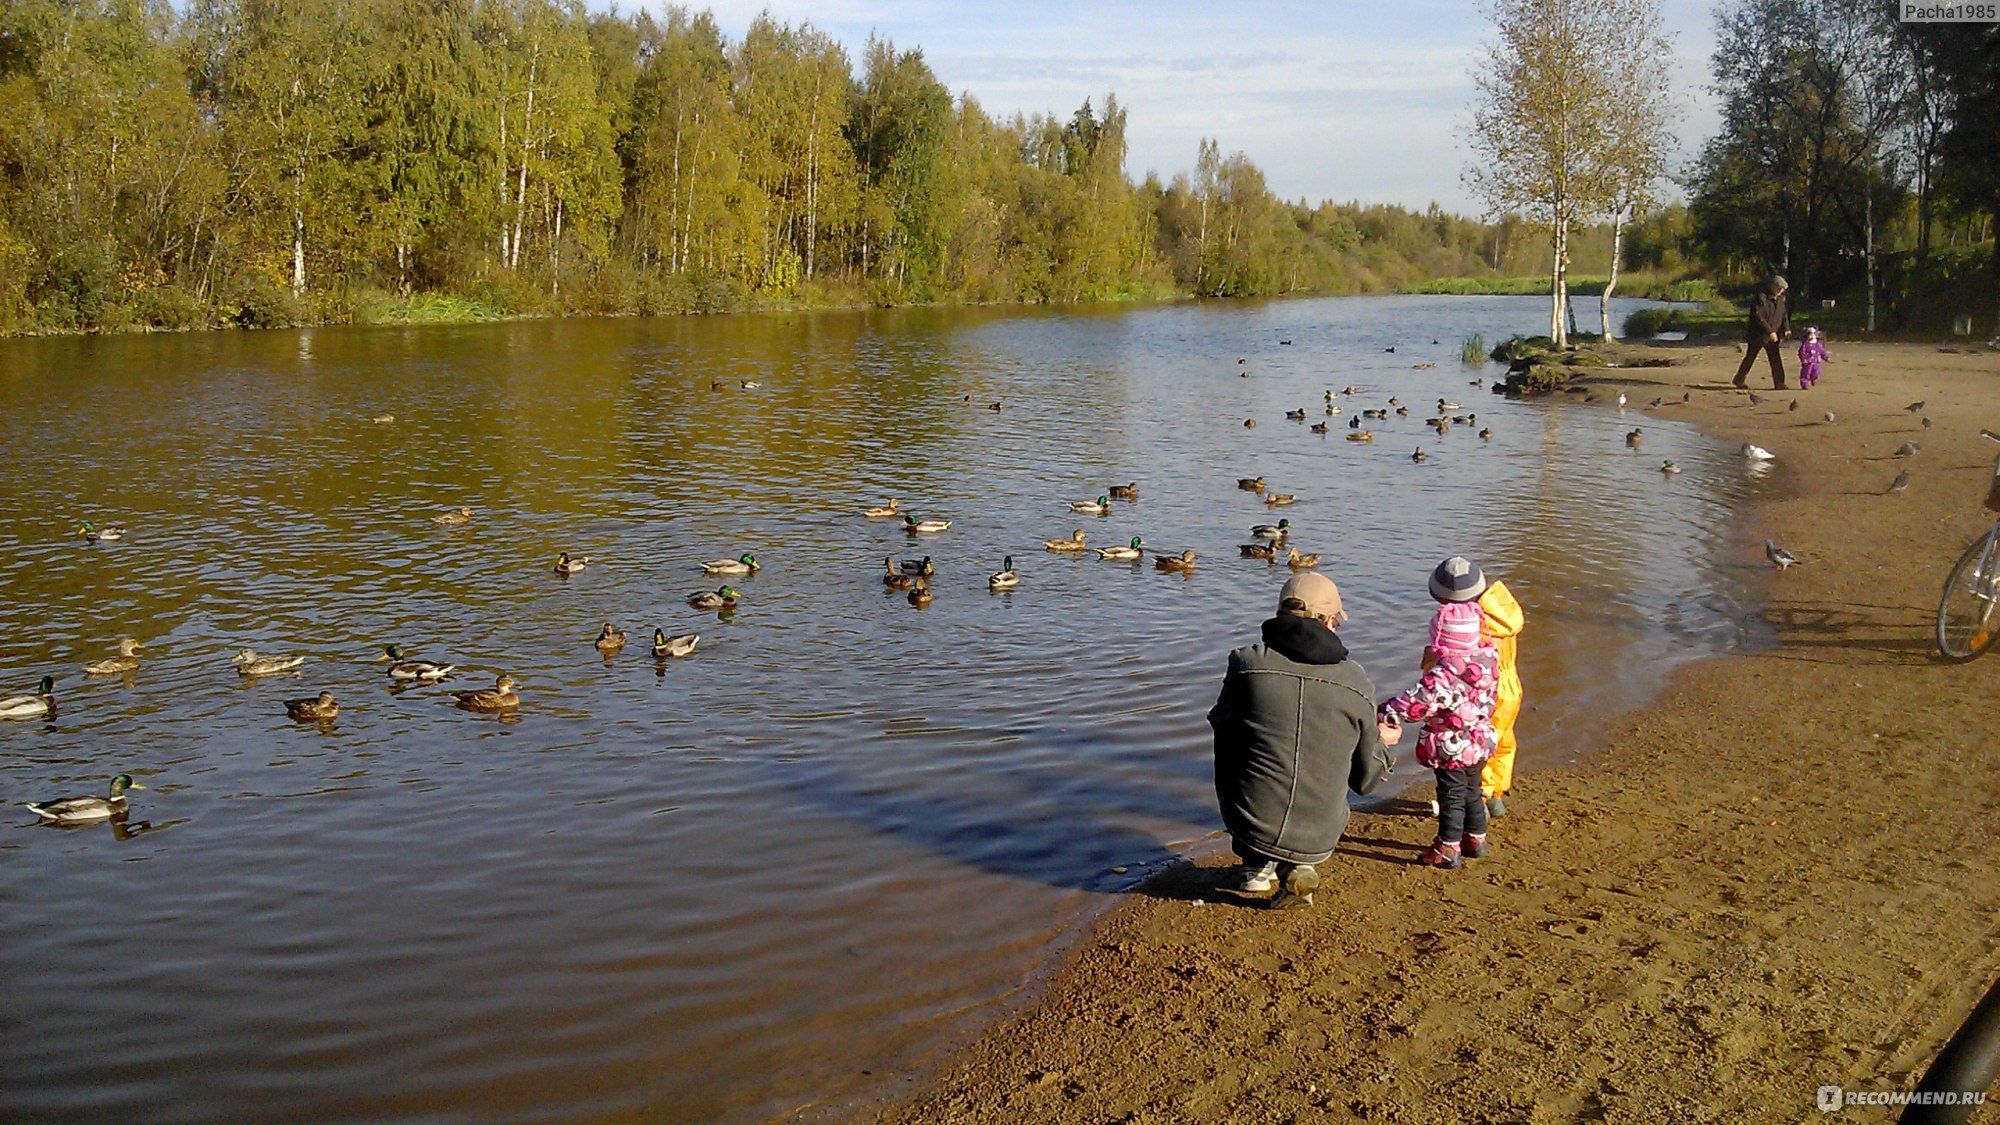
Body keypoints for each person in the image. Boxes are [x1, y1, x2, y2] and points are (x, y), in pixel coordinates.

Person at [1208, 571, 1400, 907]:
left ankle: (1257, 865)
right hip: (1320, 834)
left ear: (1279, 614)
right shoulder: (1355, 681)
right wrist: (1382, 741)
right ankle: (1299, 863)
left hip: (1250, 822)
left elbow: (1223, 730)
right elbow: (1367, 780)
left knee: (1236, 745)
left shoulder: (1245, 663)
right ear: (1329, 622)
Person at [1384, 557, 1501, 869]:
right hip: (1480, 740)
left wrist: (1388, 710)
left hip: (1451, 746)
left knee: (1451, 795)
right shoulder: (1488, 659)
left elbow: (1417, 701)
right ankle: (1476, 838)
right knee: (1473, 791)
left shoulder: (1444, 674)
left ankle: (1448, 847)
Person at [1476, 576, 1526, 818]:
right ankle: (1497, 794)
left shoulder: (1483, 624)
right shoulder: (1506, 618)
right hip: (1511, 684)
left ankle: (1482, 798)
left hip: (1490, 688)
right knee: (1505, 741)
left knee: (1483, 741)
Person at [1733, 275, 1790, 390]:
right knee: (1750, 357)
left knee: (1775, 359)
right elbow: (1758, 317)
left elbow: (1783, 314)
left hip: (1773, 335)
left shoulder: (1780, 299)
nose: (1781, 292)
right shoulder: (1760, 298)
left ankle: (1779, 383)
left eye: (1783, 290)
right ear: (1773, 286)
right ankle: (1739, 379)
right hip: (1758, 335)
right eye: (1779, 289)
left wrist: (1786, 328)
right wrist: (1769, 332)